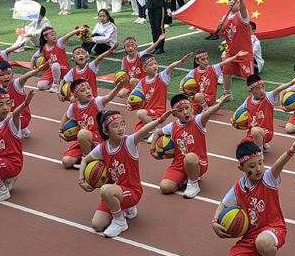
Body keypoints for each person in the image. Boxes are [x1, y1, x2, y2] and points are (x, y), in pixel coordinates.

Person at [211, 136, 295, 256]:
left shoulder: (268, 179)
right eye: (252, 166)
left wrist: (292, 149)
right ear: (242, 168)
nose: (258, 168)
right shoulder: (239, 187)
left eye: (260, 163)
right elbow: (223, 204)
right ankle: (258, 253)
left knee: (263, 242)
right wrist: (215, 222)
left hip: (273, 228)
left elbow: (279, 164)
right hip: (251, 234)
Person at [78, 109, 171, 238]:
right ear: (106, 131)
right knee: (97, 225)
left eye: (122, 124)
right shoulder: (103, 147)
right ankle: (123, 207)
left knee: (105, 190)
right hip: (115, 191)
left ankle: (120, 221)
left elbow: (144, 130)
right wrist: (81, 180)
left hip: (132, 191)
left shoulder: (129, 143)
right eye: (115, 126)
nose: (120, 128)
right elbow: (85, 161)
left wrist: (160, 120)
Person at [155, 93, 229, 199]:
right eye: (180, 110)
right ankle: (186, 177)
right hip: (179, 164)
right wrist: (153, 150)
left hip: (199, 162)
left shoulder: (198, 121)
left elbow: (207, 114)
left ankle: (193, 184)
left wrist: (219, 106)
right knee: (165, 188)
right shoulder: (172, 126)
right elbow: (157, 133)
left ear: (191, 107)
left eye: (187, 108)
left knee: (189, 157)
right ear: (174, 114)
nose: (185, 112)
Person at [59, 77, 124, 170]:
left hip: (99, 139)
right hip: (84, 141)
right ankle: (92, 155)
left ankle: (86, 159)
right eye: (83, 90)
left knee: (82, 133)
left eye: (89, 88)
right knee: (66, 162)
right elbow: (66, 115)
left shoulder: (96, 102)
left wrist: (118, 87)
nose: (88, 91)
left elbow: (108, 97)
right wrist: (60, 130)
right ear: (76, 96)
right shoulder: (73, 107)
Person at [0, 60, 47, 139]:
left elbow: (25, 76)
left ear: (12, 74)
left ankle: (17, 130)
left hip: (23, 116)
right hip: (9, 115)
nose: (6, 77)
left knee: (5, 115)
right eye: (2, 75)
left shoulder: (16, 84)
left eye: (8, 74)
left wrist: (38, 70)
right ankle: (19, 130)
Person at [128, 52, 191, 132]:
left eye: (155, 63)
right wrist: (128, 102)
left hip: (159, 111)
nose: (154, 66)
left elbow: (170, 67)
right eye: (151, 65)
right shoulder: (143, 81)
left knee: (140, 113)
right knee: (137, 132)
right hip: (149, 113)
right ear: (144, 69)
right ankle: (156, 128)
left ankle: (156, 130)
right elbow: (134, 91)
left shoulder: (162, 77)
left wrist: (182, 60)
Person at [240, 73, 295, 153]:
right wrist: (233, 120)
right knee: (243, 147)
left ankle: (259, 153)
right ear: (250, 91)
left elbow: (278, 89)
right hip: (252, 133)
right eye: (257, 88)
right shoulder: (248, 100)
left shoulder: (268, 97)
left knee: (255, 131)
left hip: (266, 132)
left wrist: (291, 82)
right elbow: (239, 110)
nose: (261, 91)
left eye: (263, 87)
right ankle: (262, 145)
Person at [216, 0, 254, 93]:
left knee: (249, 77)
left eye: (234, 0)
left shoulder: (242, 16)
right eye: (230, 0)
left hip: (244, 53)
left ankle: (255, 97)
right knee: (226, 73)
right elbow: (220, 32)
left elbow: (243, 8)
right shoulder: (225, 17)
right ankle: (227, 94)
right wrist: (218, 27)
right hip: (231, 52)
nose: (232, 2)